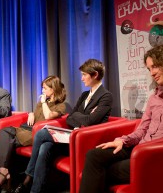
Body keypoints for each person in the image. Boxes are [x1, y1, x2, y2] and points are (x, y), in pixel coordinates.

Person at [79, 44, 163, 193]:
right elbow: (142, 129)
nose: (152, 73)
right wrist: (123, 140)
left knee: (103, 170)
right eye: (149, 69)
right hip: (139, 147)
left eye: (155, 66)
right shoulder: (155, 97)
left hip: (155, 154)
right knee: (93, 155)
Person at [13, 59, 113, 193]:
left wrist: (81, 117)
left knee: (42, 133)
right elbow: (70, 118)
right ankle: (35, 190)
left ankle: (28, 175)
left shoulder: (106, 96)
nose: (82, 78)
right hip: (72, 134)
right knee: (44, 147)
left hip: (85, 139)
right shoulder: (84, 95)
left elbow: (89, 121)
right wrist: (83, 117)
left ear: (94, 75)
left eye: (84, 75)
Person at [0, 75, 67, 193]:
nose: (42, 91)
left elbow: (49, 116)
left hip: (39, 134)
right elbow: (36, 114)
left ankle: (2, 176)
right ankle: (3, 170)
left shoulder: (60, 105)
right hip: (29, 129)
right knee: (4, 131)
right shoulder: (42, 102)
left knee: (9, 138)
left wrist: (44, 103)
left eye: (44, 88)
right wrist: (31, 114)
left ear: (52, 89)